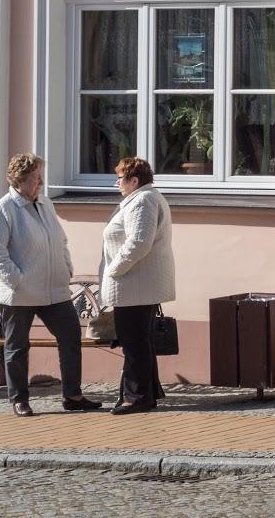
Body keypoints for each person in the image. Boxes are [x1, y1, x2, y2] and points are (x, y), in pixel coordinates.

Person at [0, 153, 103, 417]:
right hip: (19, 293)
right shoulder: (4, 209)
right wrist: (17, 279)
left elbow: (60, 241)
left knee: (70, 335)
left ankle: (72, 395)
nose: (40, 182)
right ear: (21, 180)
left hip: (54, 289)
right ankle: (19, 399)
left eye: (40, 177)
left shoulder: (45, 204)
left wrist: (66, 268)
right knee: (17, 346)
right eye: (36, 178)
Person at [100, 157, 175, 415]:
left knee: (133, 342)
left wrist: (113, 270)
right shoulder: (142, 199)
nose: (117, 183)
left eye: (120, 178)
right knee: (140, 340)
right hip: (137, 285)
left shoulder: (143, 201)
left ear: (134, 180)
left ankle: (138, 397)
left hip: (134, 285)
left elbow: (139, 243)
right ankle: (147, 391)